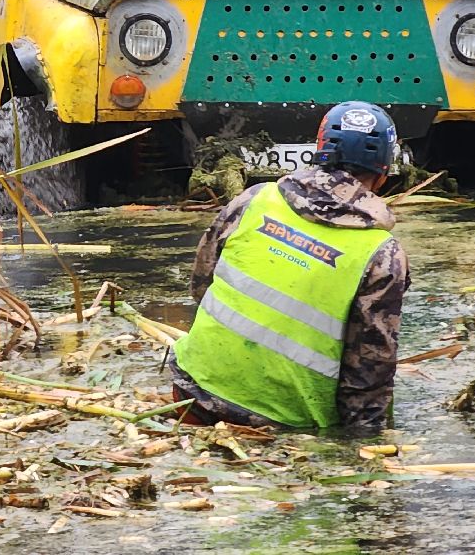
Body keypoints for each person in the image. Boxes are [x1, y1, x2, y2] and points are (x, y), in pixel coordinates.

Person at [169, 101, 410, 430]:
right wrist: (367, 442)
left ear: (319, 151)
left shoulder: (254, 199)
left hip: (190, 395)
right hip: (282, 425)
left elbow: (200, 286)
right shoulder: (382, 255)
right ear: (383, 175)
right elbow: (369, 373)